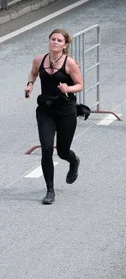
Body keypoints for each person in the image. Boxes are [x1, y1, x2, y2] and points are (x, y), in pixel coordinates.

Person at [25, 29, 84, 205]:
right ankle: (50, 190)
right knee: (46, 149)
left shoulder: (70, 63)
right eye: (53, 39)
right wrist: (30, 84)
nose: (55, 42)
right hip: (45, 111)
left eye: (59, 40)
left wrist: (69, 88)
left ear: (65, 45)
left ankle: (73, 161)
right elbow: (34, 73)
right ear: (49, 41)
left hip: (66, 112)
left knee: (63, 151)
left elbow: (80, 84)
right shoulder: (39, 59)